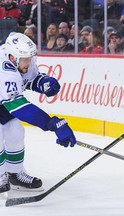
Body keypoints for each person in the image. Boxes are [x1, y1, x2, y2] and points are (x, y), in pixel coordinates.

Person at [0, 32, 76, 193]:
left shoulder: (22, 60)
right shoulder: (5, 70)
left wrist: (43, 83)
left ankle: (14, 174)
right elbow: (19, 107)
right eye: (26, 59)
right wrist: (50, 123)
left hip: (2, 102)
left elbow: (30, 79)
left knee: (15, 132)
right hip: (6, 101)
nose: (30, 61)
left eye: (30, 58)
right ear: (12, 58)